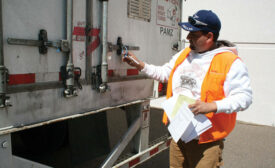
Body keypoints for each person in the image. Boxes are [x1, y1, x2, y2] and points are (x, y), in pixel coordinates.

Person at [123, 10, 252, 168]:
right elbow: (165, 73)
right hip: (178, 134)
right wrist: (141, 66)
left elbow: (244, 97)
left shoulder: (230, 62)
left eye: (194, 34)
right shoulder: (184, 54)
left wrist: (212, 106)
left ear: (209, 37)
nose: (188, 38)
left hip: (207, 141)